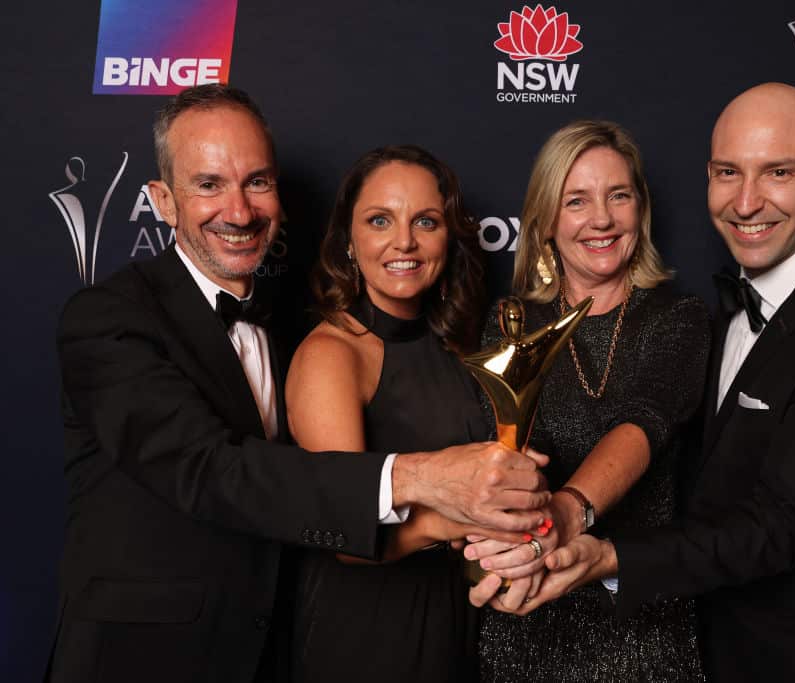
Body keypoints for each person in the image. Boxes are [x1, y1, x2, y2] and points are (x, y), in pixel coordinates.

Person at [48, 84, 549, 683]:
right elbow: (211, 469)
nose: (239, 211)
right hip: (145, 658)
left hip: (268, 649)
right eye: (209, 184)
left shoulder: (284, 321)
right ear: (162, 201)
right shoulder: (108, 317)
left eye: (257, 182)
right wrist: (430, 482)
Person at [475, 83, 795, 683]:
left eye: (778, 172)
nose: (747, 202)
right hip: (687, 634)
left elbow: (773, 528)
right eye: (729, 172)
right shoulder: (731, 308)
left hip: (790, 657)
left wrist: (595, 543)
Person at [467, 120, 711, 681]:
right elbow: (500, 457)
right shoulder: (511, 323)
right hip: (526, 623)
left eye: (618, 196)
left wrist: (567, 512)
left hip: (643, 632)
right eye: (576, 200)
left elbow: (643, 425)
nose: (601, 219)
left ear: (640, 210)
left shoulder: (678, 317)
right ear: (546, 221)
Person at [286, 145, 507, 681]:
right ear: (349, 240)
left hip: (454, 616)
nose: (404, 241)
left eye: (425, 221)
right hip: (368, 627)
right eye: (380, 220)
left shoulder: (458, 343)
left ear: (448, 237)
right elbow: (344, 534)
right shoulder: (331, 354)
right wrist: (455, 518)